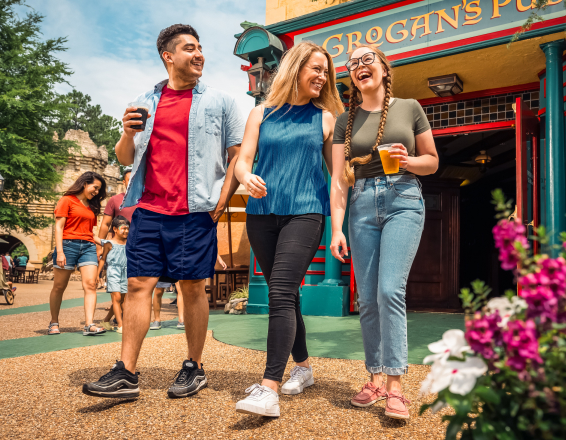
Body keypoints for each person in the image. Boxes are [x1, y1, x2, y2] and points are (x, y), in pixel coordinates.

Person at [82, 24, 244, 400]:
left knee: (191, 288)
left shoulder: (221, 102)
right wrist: (126, 133)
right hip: (150, 210)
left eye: (200, 47)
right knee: (138, 285)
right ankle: (127, 373)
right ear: (168, 56)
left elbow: (237, 157)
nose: (199, 53)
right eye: (189, 48)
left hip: (195, 210)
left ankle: (194, 366)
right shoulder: (144, 101)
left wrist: (220, 204)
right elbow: (125, 158)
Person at [233, 41, 343, 417]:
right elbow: (243, 162)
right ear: (296, 69)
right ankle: (305, 368)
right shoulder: (261, 114)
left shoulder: (326, 118)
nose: (322, 76)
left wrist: (342, 225)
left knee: (280, 290)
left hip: (306, 214)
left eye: (325, 71)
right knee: (288, 296)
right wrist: (247, 178)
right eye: (316, 69)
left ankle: (269, 387)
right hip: (261, 215)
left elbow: (339, 178)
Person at [329, 45, 438, 420]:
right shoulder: (346, 119)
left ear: (383, 68)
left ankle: (395, 385)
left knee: (390, 289)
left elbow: (433, 161)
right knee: (368, 299)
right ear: (352, 77)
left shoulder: (409, 107)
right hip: (360, 204)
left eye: (367, 60)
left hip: (403, 197)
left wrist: (409, 160)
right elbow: (338, 180)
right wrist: (336, 228)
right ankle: (374, 379)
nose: (360, 66)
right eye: (353, 64)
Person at [47, 171, 108, 336]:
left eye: (98, 190)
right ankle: (53, 322)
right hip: (67, 245)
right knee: (59, 286)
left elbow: (90, 233)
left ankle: (89, 324)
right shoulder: (66, 200)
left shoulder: (92, 207)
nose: (96, 192)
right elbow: (59, 227)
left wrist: (105, 242)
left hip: (88, 247)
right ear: (84, 183)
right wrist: (60, 251)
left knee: (91, 285)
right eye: (95, 188)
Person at [150, 253, 226, 329]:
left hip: (178, 260)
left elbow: (211, 242)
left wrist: (219, 258)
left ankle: (181, 320)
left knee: (180, 290)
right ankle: (157, 319)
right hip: (164, 260)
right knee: (158, 291)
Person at [96, 216, 130, 333]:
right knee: (117, 298)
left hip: (125, 272)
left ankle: (106, 321)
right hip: (113, 272)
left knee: (123, 301)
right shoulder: (109, 244)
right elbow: (103, 259)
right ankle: (121, 325)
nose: (126, 231)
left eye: (127, 228)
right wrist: (98, 274)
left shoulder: (129, 243)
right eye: (123, 228)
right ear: (115, 229)